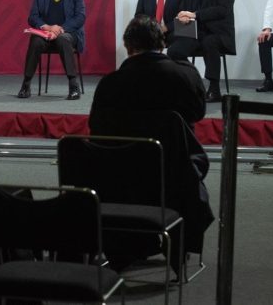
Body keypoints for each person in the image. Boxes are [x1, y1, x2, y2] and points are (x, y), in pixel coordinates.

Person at [88, 14, 213, 274]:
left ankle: (132, 243)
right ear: (162, 44)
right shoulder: (185, 76)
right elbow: (198, 114)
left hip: (119, 177)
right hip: (173, 174)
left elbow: (96, 129)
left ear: (128, 47)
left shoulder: (110, 84)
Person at [167, 0, 235, 103]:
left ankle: (214, 89)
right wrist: (183, 17)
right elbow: (184, 11)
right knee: (174, 50)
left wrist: (194, 14)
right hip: (194, 33)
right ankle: (192, 82)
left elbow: (222, 10)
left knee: (209, 43)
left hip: (218, 33)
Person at [17, 0, 86, 100]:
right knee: (35, 40)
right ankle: (26, 85)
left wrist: (60, 29)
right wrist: (48, 27)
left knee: (63, 39)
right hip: (45, 35)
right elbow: (33, 17)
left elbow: (80, 17)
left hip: (68, 35)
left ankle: (73, 86)